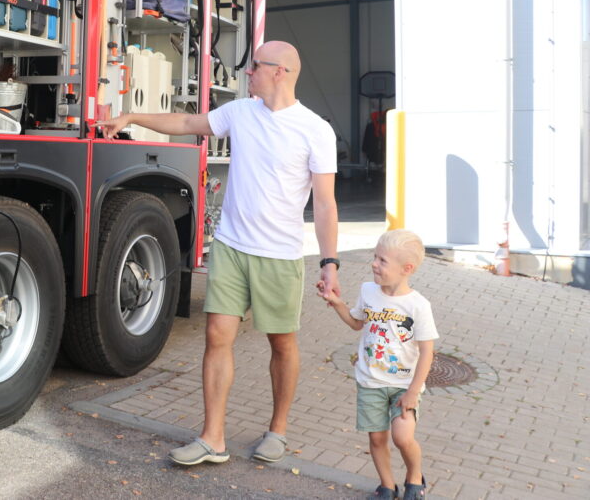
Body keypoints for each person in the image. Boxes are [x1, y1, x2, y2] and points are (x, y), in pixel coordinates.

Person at [97, 40, 340, 466]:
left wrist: (330, 263)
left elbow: (324, 204)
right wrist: (132, 115)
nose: (248, 73)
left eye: (255, 67)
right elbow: (188, 121)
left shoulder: (315, 130)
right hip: (231, 246)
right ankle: (213, 438)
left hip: (279, 255)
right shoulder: (241, 113)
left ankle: (277, 430)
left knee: (282, 344)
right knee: (216, 336)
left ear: (279, 72)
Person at [319, 230, 437, 500]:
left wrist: (413, 392)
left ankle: (415, 478)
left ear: (406, 269)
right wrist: (336, 302)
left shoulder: (418, 306)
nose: (374, 263)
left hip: (404, 386)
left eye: (382, 260)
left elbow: (427, 352)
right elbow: (356, 323)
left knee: (403, 437)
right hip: (370, 381)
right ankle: (386, 485)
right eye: (375, 257)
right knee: (377, 439)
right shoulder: (368, 291)